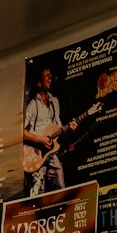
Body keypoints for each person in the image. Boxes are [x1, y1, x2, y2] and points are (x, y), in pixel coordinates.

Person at [23, 65, 73, 193]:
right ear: (39, 83)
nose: (50, 78)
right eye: (47, 76)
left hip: (52, 153)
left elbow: (59, 128)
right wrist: (39, 139)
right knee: (39, 192)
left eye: (51, 75)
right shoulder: (33, 105)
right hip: (36, 155)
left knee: (61, 187)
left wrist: (70, 129)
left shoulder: (55, 101)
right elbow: (21, 132)